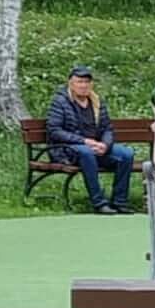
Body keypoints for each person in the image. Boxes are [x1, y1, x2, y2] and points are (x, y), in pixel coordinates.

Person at [46, 65, 134, 214]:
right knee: (86, 152)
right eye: (79, 82)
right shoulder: (60, 102)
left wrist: (105, 145)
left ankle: (120, 202)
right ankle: (99, 203)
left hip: (96, 148)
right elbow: (55, 131)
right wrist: (84, 141)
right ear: (71, 84)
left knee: (126, 154)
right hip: (68, 150)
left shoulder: (97, 102)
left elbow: (107, 128)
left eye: (87, 82)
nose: (83, 85)